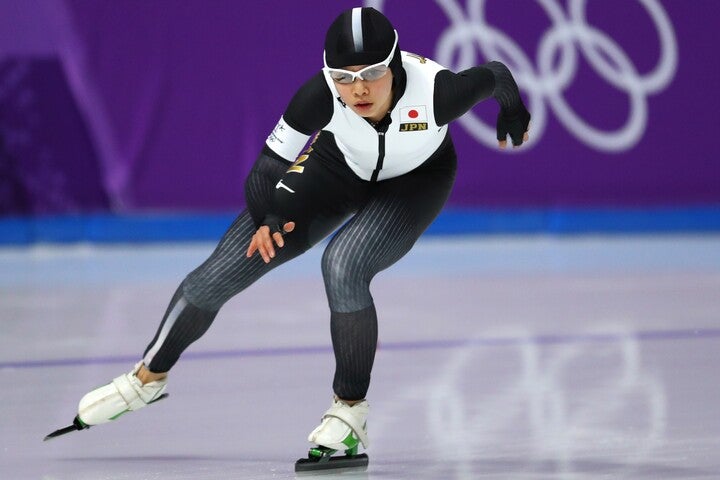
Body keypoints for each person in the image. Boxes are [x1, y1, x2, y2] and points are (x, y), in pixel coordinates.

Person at [68, 5, 530, 464]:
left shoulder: (439, 93)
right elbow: (268, 166)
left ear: (393, 66)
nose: (359, 88)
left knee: (343, 263)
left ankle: (350, 413)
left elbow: (497, 74)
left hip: (416, 180)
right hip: (338, 165)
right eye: (344, 77)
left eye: (371, 73)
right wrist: (269, 217)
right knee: (224, 268)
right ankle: (148, 378)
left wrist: (511, 111)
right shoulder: (320, 95)